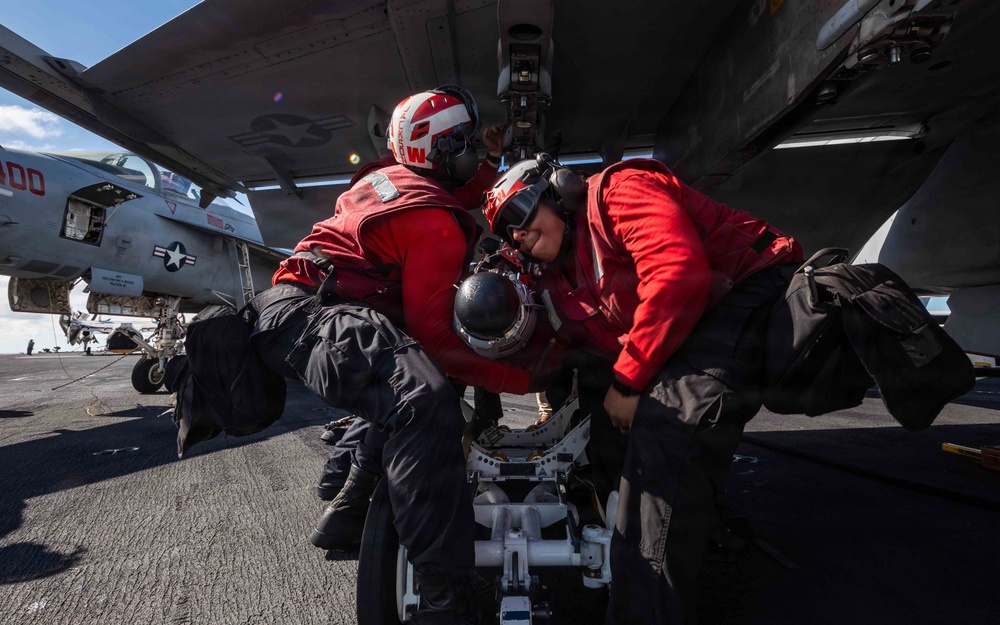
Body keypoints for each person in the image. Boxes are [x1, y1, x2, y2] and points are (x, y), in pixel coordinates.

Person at [247, 87, 537, 624]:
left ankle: (348, 509)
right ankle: (442, 597)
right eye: (466, 143)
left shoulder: (385, 179)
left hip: (292, 311)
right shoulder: (434, 224)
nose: (473, 153)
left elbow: (455, 184)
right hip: (320, 317)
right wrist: (524, 377)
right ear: (443, 150)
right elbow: (442, 343)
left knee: (416, 383)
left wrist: (492, 160)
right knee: (425, 397)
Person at [483, 153, 803, 625]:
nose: (516, 234)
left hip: (747, 289)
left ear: (559, 192)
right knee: (597, 405)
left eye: (518, 214)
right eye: (506, 230)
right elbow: (555, 351)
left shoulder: (618, 191)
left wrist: (629, 382)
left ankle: (645, 604)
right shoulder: (562, 276)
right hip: (689, 325)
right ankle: (622, 534)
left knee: (666, 432)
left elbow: (679, 274)